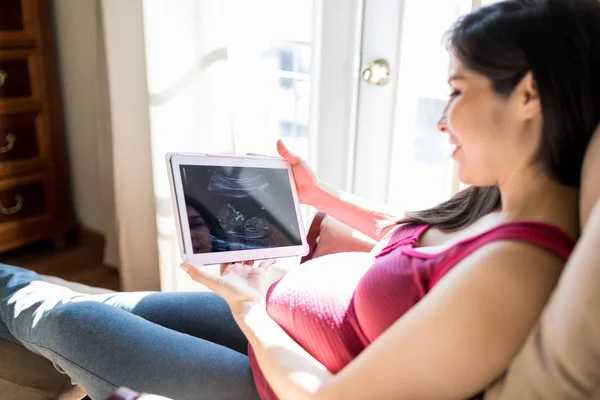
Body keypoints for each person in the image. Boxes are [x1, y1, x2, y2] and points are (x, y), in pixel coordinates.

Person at [1, 1, 599, 399]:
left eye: (457, 90)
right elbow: (416, 240)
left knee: (68, 316)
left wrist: (250, 304)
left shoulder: (518, 267)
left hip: (276, 380)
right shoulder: (498, 204)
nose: (443, 121)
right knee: (114, 311)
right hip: (283, 325)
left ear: (528, 95)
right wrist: (317, 195)